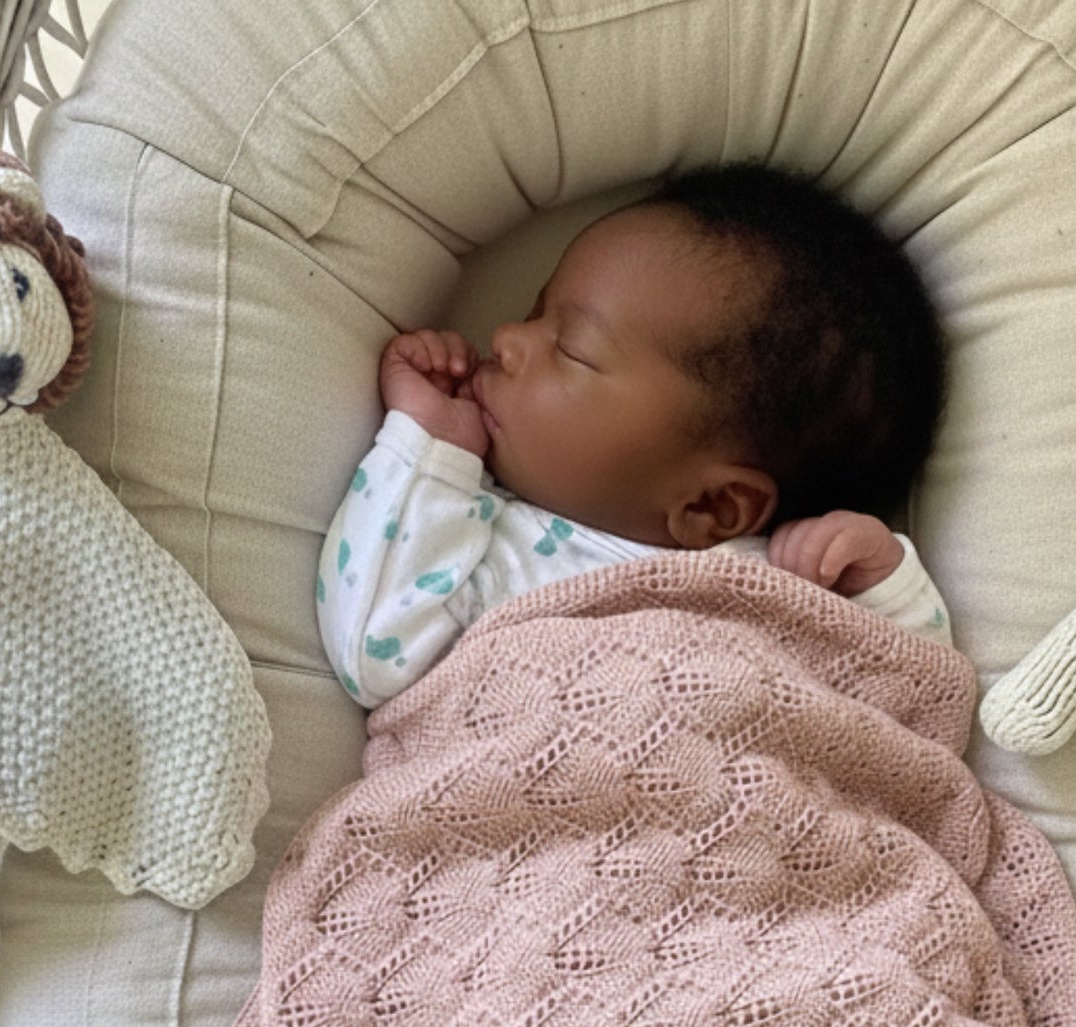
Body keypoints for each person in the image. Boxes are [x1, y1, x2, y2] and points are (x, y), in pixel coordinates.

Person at [316, 162, 949, 707]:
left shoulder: (794, 587)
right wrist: (433, 449)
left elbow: (912, 707)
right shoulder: (484, 545)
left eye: (571, 348)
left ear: (712, 507)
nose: (506, 338)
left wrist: (884, 587)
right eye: (535, 311)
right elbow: (378, 653)